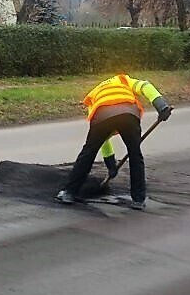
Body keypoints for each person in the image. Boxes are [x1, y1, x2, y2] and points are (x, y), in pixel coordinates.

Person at [56, 74, 173, 210]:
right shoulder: (123, 80)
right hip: (129, 113)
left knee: (88, 151)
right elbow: (145, 86)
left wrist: (111, 164)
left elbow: (103, 140)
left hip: (102, 115)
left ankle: (69, 193)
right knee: (135, 154)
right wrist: (161, 105)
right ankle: (138, 199)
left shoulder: (93, 96)